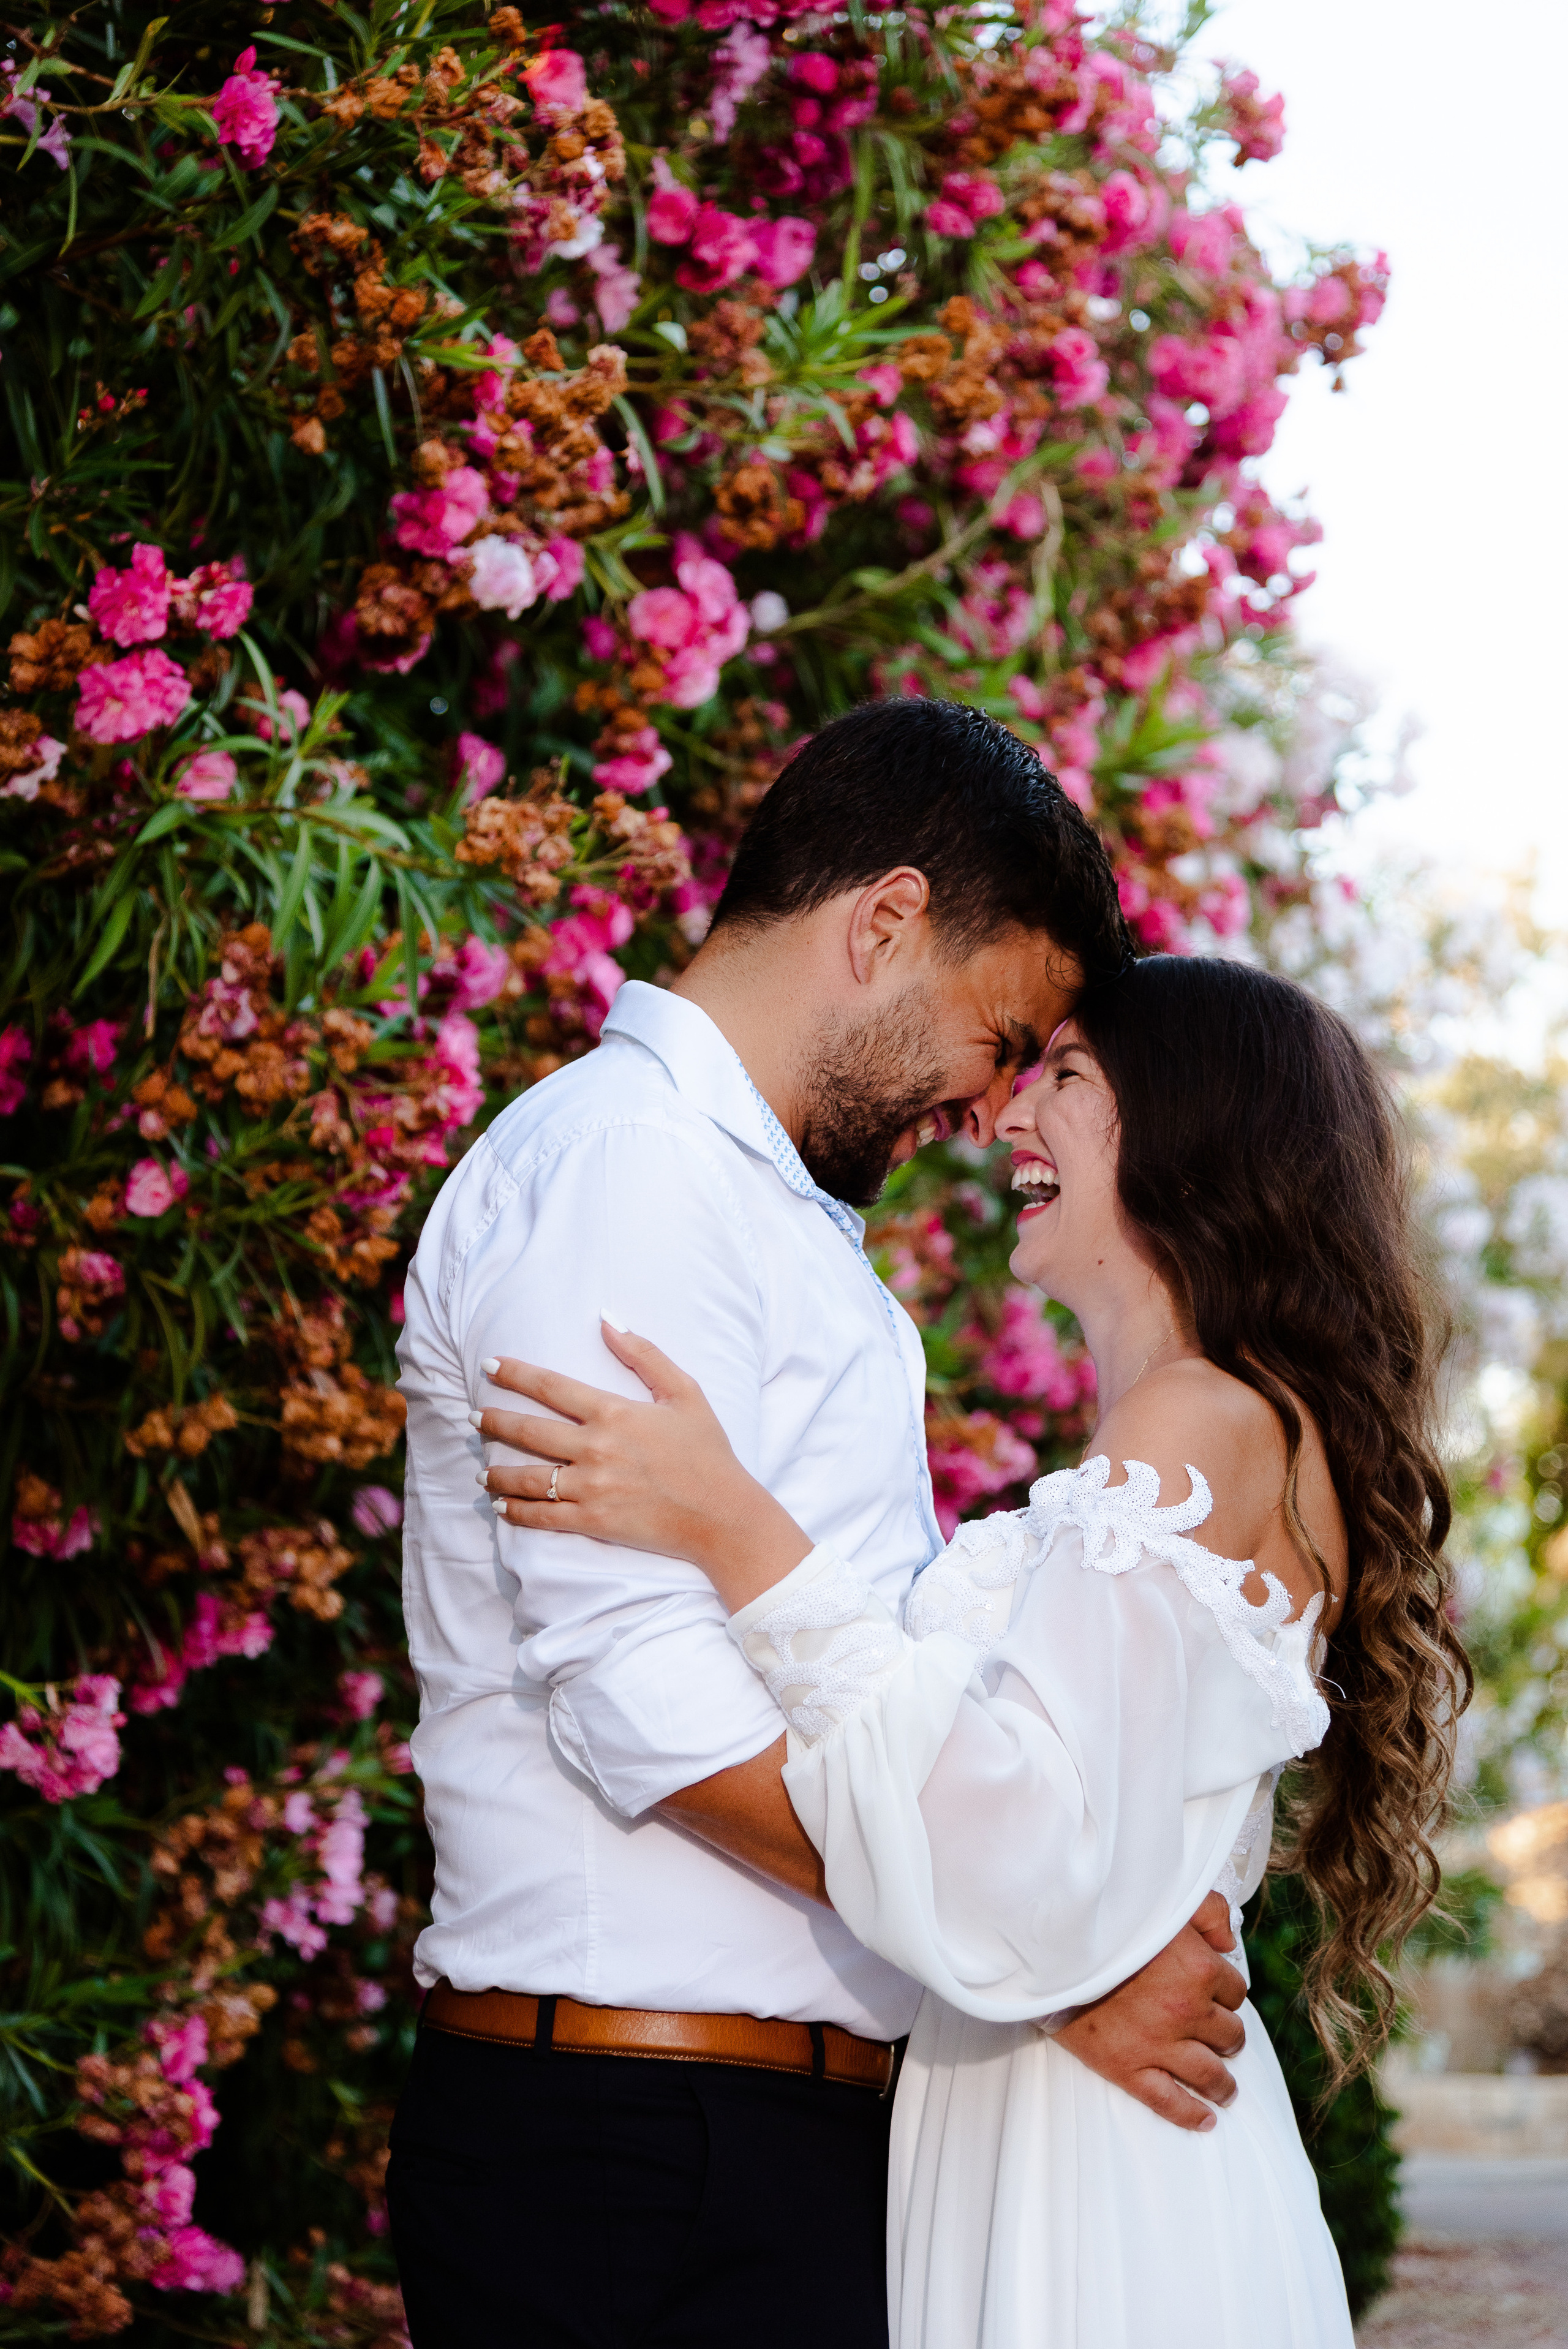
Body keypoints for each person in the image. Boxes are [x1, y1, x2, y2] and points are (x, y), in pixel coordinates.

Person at [388, 702, 1257, 2348]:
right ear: (883, 923)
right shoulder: (629, 1172)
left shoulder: (762, 1208)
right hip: (630, 2156)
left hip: (738, 2146)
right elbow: (645, 1703)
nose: (994, 1110)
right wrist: (1044, 1959)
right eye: (1004, 1036)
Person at [475, 954, 1473, 2348]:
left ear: (1190, 1127)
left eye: (1066, 1076)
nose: (1010, 1115)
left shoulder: (1195, 1421)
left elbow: (1017, 1848)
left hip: (1084, 2172)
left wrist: (733, 1529)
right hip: (1061, 2121)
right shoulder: (1235, 1425)